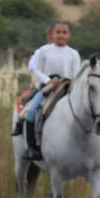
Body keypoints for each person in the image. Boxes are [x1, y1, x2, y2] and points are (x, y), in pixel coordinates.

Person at [18, 20, 81, 161]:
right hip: (47, 88)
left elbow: (76, 74)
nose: (61, 35)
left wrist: (70, 81)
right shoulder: (44, 51)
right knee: (31, 110)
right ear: (52, 34)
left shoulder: (73, 53)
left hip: (66, 88)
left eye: (64, 32)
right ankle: (31, 148)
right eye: (58, 32)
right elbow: (36, 69)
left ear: (69, 35)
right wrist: (47, 80)